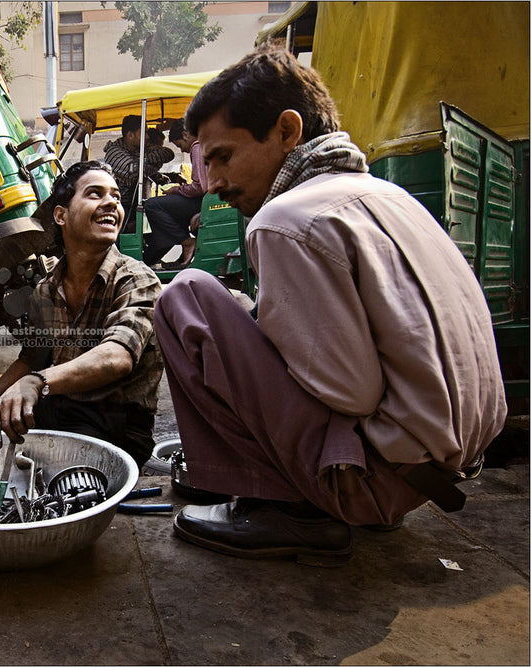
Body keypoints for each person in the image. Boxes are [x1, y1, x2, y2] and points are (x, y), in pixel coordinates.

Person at [153, 47, 506, 566]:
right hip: (435, 471)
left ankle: (293, 509)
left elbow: (348, 392)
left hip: (368, 479)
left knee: (185, 298)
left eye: (223, 156)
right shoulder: (388, 195)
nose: (216, 183)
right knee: (242, 313)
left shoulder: (285, 219)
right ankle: (339, 498)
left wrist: (252, 344)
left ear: (287, 131)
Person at [0, 161, 163, 467]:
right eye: (95, 194)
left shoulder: (136, 278)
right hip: (61, 404)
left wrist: (38, 382)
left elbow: (118, 357)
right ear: (61, 215)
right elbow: (31, 359)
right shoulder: (46, 289)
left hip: (114, 421)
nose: (112, 202)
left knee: (56, 458)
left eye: (115, 195)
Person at [141, 120, 208, 268]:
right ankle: (165, 244)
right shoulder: (205, 143)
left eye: (179, 145)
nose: (183, 150)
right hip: (206, 199)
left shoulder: (197, 146)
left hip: (204, 200)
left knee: (153, 205)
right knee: (169, 206)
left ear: (185, 135)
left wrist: (176, 189)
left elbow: (200, 187)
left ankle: (186, 242)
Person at [104, 115, 174, 225]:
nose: (147, 137)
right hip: (119, 207)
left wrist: (145, 162)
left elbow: (168, 153)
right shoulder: (114, 153)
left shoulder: (141, 149)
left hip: (137, 205)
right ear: (130, 135)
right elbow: (135, 172)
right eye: (143, 133)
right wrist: (150, 163)